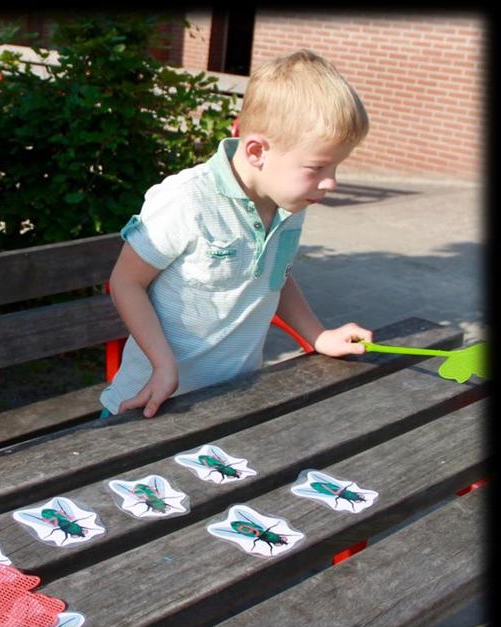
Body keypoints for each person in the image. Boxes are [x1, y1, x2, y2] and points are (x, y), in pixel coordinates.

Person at [101, 49, 373, 419]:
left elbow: (277, 276)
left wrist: (318, 335)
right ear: (258, 150)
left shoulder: (289, 203)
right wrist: (163, 364)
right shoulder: (187, 199)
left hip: (232, 402)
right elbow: (125, 283)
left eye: (337, 165)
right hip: (150, 404)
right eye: (317, 167)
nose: (331, 182)